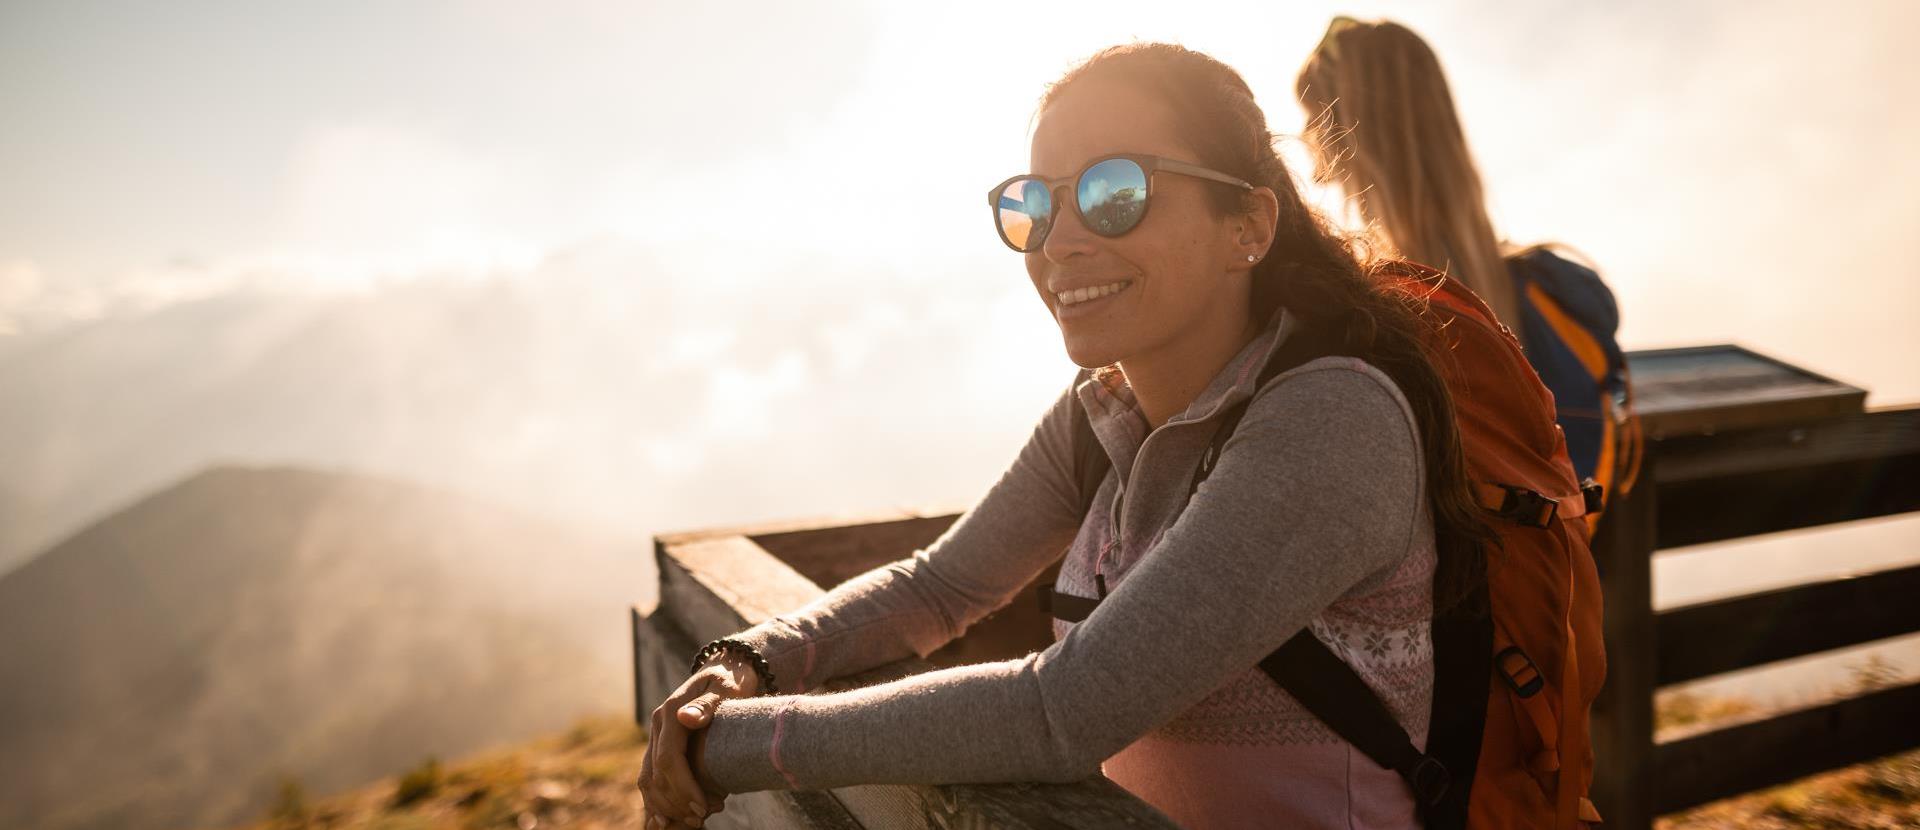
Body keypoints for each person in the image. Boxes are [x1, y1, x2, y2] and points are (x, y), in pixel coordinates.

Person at [637, 42, 1499, 830]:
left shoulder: (1334, 422)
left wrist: (726, 747)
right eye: (1034, 205)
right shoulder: (1103, 409)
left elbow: (1064, 710)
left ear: (1249, 227)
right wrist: (743, 660)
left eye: (1113, 192)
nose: (1061, 241)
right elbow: (941, 588)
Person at [1295, 17, 1636, 495]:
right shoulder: (1546, 291)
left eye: (1314, 118)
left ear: (1350, 136)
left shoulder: (1371, 309)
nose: (1308, 143)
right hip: (1560, 561)